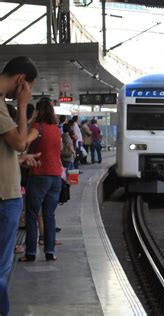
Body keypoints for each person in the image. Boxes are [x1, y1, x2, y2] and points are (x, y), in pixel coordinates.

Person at [0, 56, 38, 316]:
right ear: (21, 80)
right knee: (1, 271)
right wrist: (23, 107)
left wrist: (17, 159)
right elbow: (19, 142)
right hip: (4, 197)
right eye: (29, 87)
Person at [19, 98, 62, 263]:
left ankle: (30, 253)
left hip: (39, 175)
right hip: (56, 176)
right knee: (49, 215)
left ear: (38, 111)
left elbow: (24, 142)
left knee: (31, 215)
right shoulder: (55, 129)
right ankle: (50, 253)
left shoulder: (39, 126)